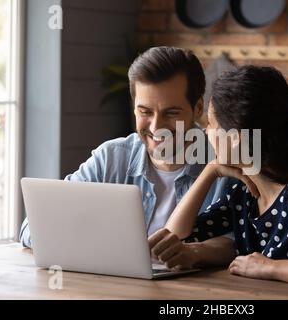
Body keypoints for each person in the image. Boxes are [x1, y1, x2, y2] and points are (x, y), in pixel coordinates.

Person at [150, 65, 288, 293]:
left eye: (212, 124)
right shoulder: (244, 195)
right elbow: (176, 237)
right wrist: (210, 171)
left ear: (235, 138)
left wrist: (269, 268)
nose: (206, 132)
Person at [19, 46, 236, 269]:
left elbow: (243, 242)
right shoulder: (111, 158)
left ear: (198, 107)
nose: (156, 127)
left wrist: (195, 251)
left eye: (171, 113)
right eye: (145, 112)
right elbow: (32, 228)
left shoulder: (225, 163)